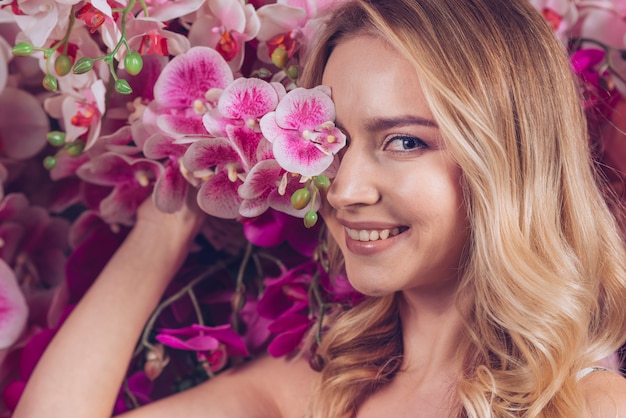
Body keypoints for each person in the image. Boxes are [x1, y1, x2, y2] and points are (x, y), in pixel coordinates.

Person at [13, 0, 626, 416]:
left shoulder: (589, 406)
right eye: (330, 139)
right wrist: (170, 212)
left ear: (508, 158)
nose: (343, 188)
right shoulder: (318, 392)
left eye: (404, 141)